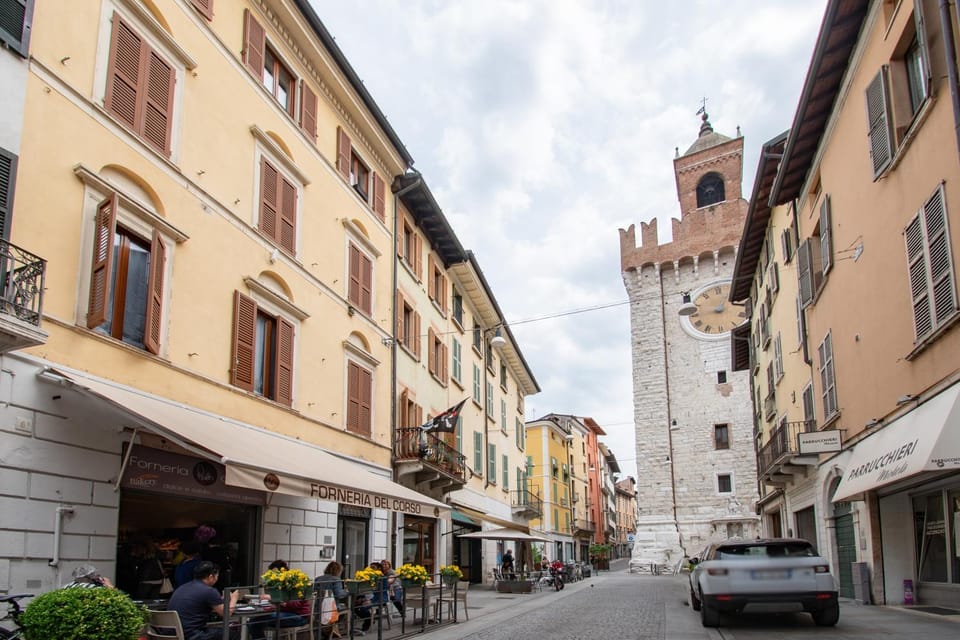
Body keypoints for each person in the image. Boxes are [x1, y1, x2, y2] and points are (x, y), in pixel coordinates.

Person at [166, 560, 239, 640]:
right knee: (233, 634)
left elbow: (198, 604)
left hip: (171, 634)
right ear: (211, 577)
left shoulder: (182, 587)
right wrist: (234, 598)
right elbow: (226, 614)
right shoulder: (209, 591)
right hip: (191, 635)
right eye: (217, 576)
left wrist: (221, 600)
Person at [248, 560, 309, 640]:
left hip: (299, 616)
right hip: (287, 614)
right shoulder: (281, 584)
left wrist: (274, 598)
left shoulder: (296, 583)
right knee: (254, 621)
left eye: (273, 574)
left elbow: (294, 604)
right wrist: (272, 606)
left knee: (257, 621)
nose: (272, 577)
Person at [314, 561, 368, 637]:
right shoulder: (336, 580)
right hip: (332, 607)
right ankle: (339, 629)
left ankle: (332, 628)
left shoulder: (318, 579)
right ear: (338, 570)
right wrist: (348, 592)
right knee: (347, 609)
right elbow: (339, 595)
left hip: (318, 606)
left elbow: (315, 592)